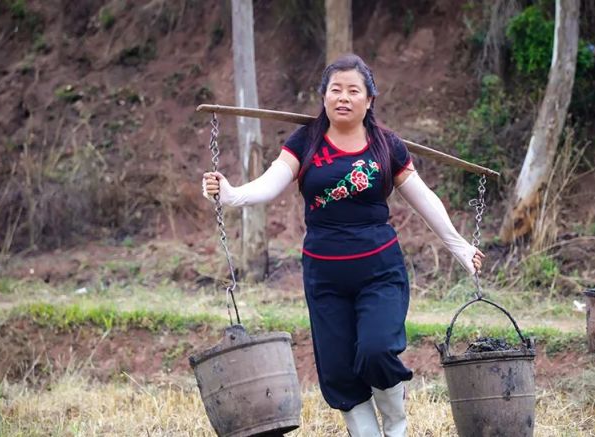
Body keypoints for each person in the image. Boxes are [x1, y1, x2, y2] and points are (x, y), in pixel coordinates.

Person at [202, 54, 484, 437]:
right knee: (337, 369)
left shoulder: (387, 146)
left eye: (354, 90)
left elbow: (425, 199)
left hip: (379, 271)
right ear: (323, 97)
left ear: (369, 100)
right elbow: (269, 184)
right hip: (325, 276)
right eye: (335, 90)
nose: (343, 97)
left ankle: (396, 425)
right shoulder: (305, 142)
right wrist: (232, 194)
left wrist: (460, 247)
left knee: (376, 350)